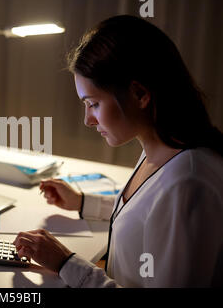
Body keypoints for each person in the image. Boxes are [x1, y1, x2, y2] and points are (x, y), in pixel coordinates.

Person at [13, 15, 223, 287]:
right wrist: (82, 203)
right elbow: (145, 216)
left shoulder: (188, 184)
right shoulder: (162, 149)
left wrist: (66, 263)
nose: (88, 120)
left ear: (139, 94)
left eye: (94, 104)